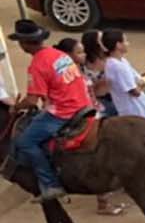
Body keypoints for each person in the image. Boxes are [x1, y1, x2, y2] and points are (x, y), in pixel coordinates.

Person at [9, 18, 89, 201]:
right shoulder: (59, 54)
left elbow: (31, 100)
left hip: (63, 111)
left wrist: (16, 107)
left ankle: (51, 184)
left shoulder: (37, 65)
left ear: (24, 43)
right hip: (83, 103)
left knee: (25, 142)